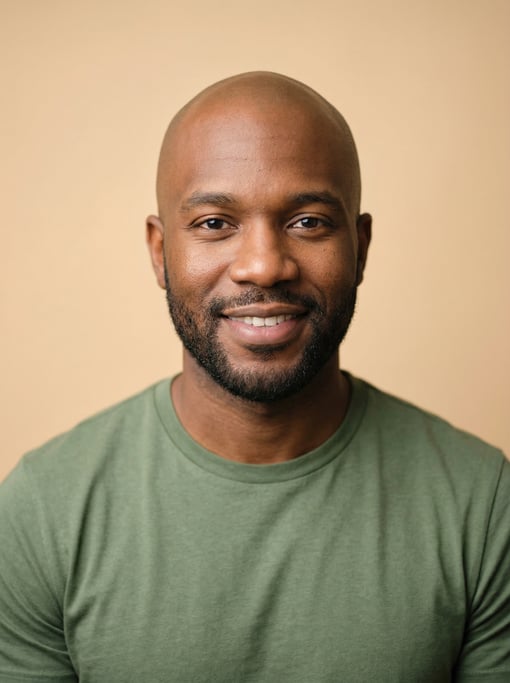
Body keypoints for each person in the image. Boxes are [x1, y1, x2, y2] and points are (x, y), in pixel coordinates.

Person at [0, 72, 508, 683]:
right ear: (160, 253)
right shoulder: (42, 513)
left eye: (309, 222)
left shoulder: (483, 507)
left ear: (361, 247)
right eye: (215, 223)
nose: (264, 266)